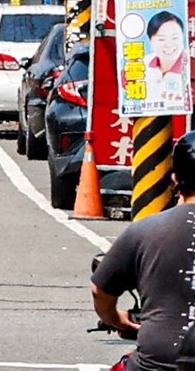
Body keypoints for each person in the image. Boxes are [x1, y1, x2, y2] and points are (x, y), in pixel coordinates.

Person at [91, 131, 195, 370]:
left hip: (156, 363)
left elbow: (100, 291)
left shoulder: (145, 230)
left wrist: (117, 320)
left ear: (175, 178)